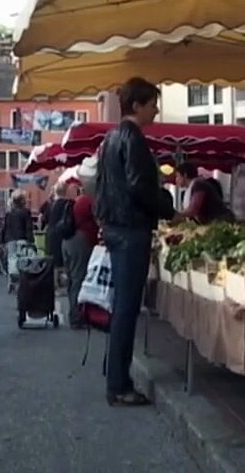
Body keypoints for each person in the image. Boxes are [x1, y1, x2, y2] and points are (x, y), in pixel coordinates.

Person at [95, 77, 177, 407]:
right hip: (131, 230)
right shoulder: (134, 140)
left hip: (115, 227)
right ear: (137, 105)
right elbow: (140, 188)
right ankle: (119, 384)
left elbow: (100, 187)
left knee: (121, 306)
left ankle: (113, 371)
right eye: (153, 103)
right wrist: (169, 206)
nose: (156, 109)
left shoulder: (110, 139)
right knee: (128, 307)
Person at [63, 181, 97, 329]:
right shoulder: (88, 201)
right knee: (79, 277)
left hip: (68, 241)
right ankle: (77, 315)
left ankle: (74, 312)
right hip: (81, 241)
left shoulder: (78, 201)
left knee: (73, 278)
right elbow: (98, 219)